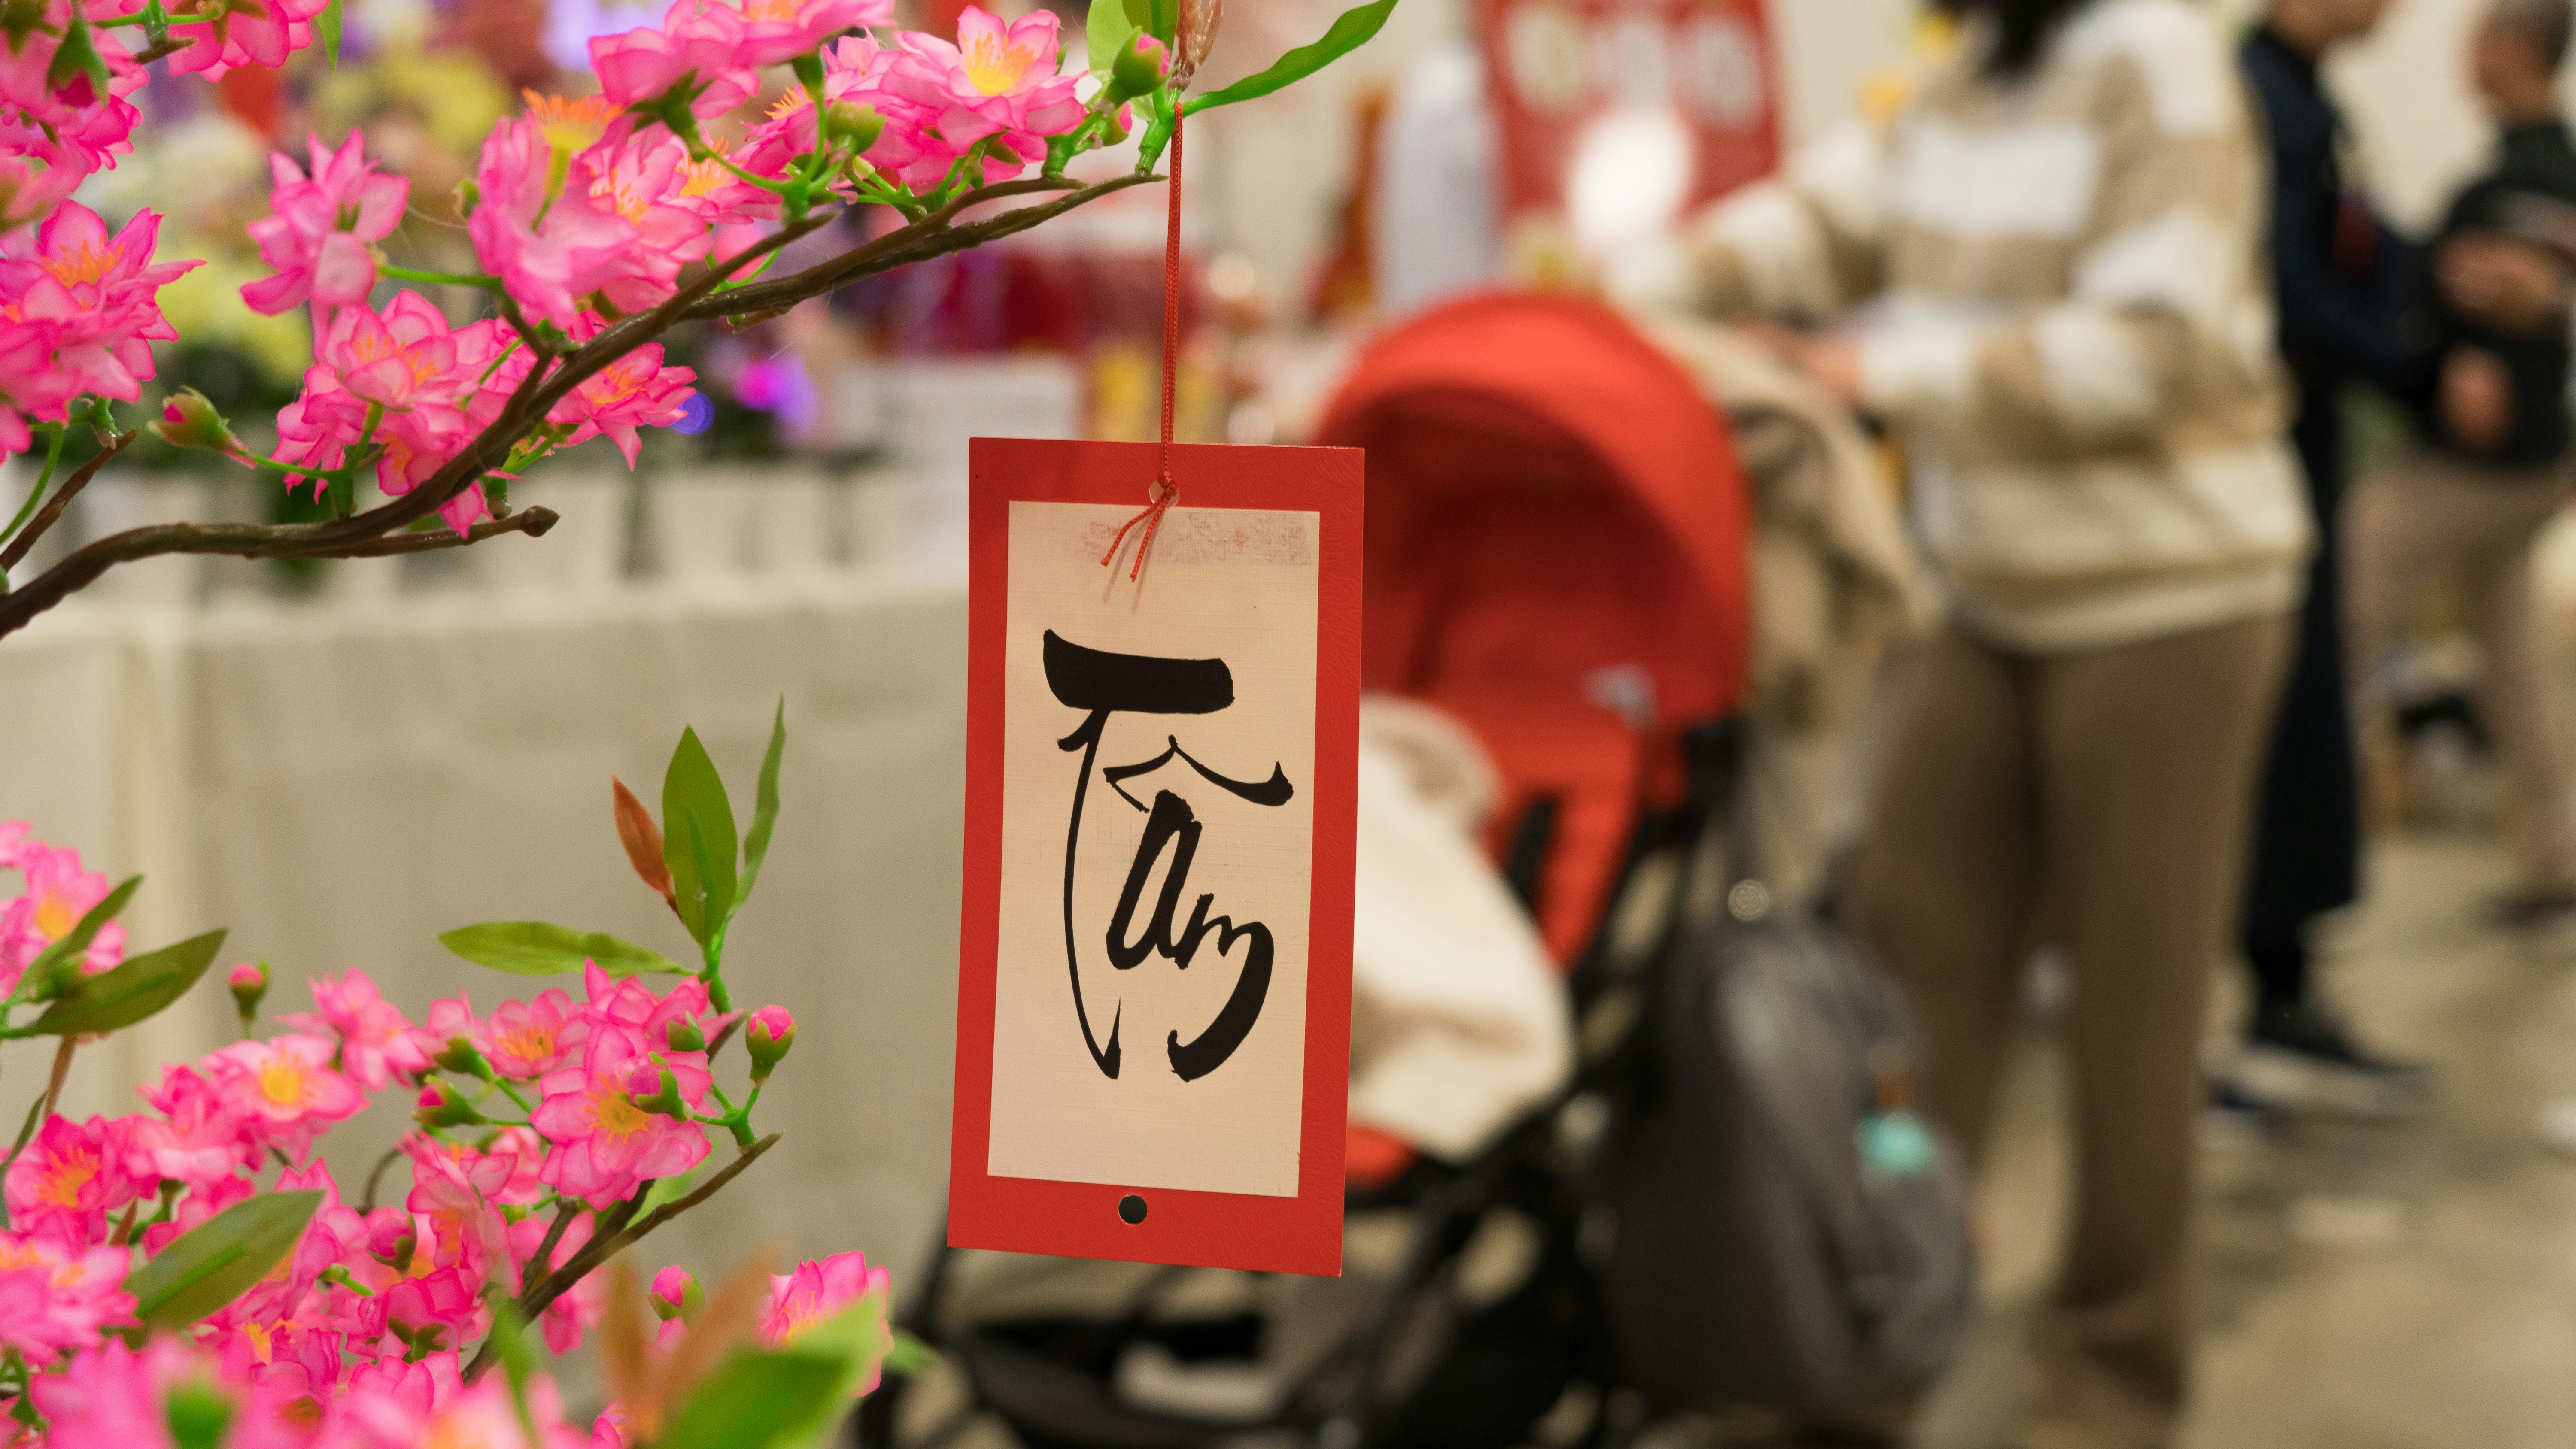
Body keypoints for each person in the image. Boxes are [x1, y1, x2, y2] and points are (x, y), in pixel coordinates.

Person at [1633, 0, 2299, 1442]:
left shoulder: (2154, 62)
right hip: (1982, 595)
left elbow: (2155, 346)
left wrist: (1873, 374)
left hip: (2169, 601)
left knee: (2137, 1019)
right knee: (1900, 991)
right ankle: (1868, 1349)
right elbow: (1817, 222)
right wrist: (1622, 292)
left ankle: (2112, 1387)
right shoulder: (1963, 75)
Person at [2228, 0, 2435, 1117]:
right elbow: (2286, 290)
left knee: (2306, 729)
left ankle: (2283, 995)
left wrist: (2431, 294)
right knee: (2271, 737)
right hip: (2254, 465)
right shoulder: (2250, 100)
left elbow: (2362, 244)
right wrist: (2413, 371)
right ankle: (2258, 1007)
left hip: (2301, 458)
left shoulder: (2313, 105)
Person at [2344, 0, 2576, 934]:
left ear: (2508, 52)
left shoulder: (2519, 187)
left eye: (2472, 40)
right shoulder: (2544, 175)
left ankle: (2282, 853)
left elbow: (2491, 307)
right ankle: (2560, 866)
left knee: (2339, 621)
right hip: (2537, 471)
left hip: (2483, 468)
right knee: (2512, 659)